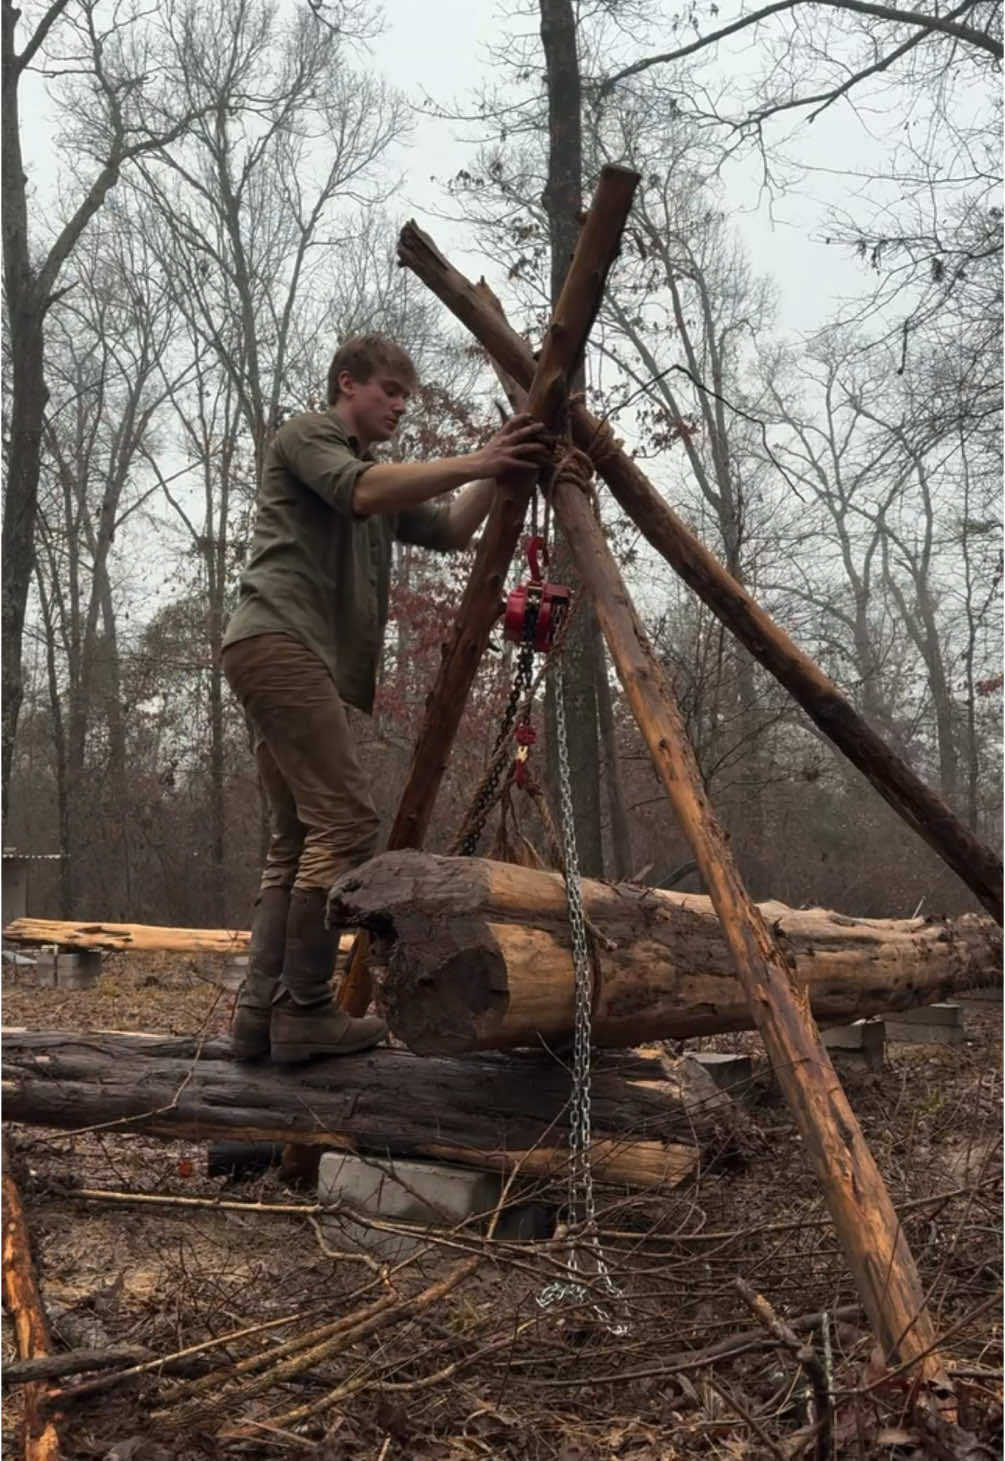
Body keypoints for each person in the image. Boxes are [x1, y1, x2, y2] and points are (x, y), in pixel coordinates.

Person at [222, 333, 552, 1064]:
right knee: (344, 823)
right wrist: (476, 458)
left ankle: (257, 1021)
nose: (401, 406)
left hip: (288, 655)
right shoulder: (310, 436)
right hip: (279, 642)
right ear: (348, 384)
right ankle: (303, 1009)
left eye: (407, 394)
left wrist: (499, 467)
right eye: (389, 391)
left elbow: (450, 530)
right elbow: (359, 491)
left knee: (298, 838)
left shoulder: (374, 471)